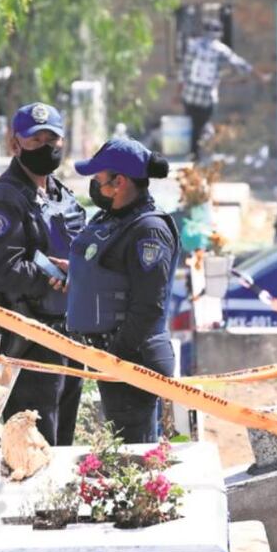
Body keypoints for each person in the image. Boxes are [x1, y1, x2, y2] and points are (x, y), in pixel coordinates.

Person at [0, 102, 86, 445]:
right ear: (15, 144)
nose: (45, 147)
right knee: (36, 448)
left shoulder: (60, 193)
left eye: (52, 139)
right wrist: (51, 275)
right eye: (35, 139)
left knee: (63, 446)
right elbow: (5, 272)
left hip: (69, 335)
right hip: (31, 343)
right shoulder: (4, 199)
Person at [66, 138, 179, 443]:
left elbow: (148, 305)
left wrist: (116, 355)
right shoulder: (116, 219)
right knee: (125, 451)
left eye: (98, 180)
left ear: (120, 182)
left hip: (133, 359)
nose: (94, 186)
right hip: (116, 358)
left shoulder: (148, 231)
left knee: (136, 456)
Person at [178, 18, 267, 161]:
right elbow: (239, 64)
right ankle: (202, 150)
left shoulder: (192, 46)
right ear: (218, 33)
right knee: (203, 124)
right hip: (207, 98)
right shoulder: (220, 50)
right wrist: (258, 75)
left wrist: (179, 91)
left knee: (195, 124)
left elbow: (184, 71)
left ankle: (195, 152)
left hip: (189, 96)